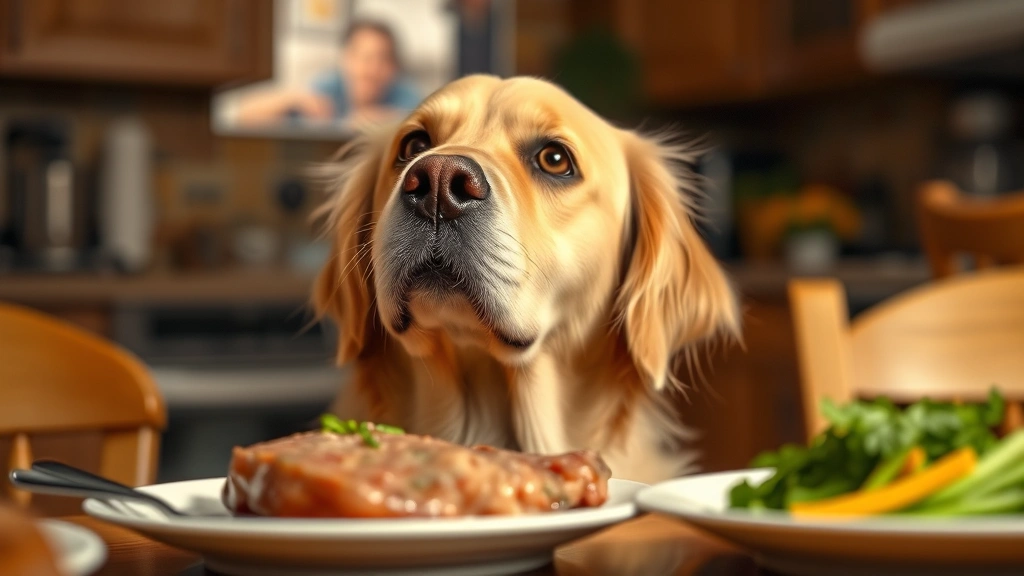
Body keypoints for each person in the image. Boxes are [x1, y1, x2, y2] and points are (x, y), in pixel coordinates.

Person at [237, 20, 420, 127]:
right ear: (346, 59)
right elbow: (245, 115)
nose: (373, 70)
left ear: (394, 67)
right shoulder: (327, 87)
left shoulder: (404, 94)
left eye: (383, 60)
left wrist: (387, 121)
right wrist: (295, 99)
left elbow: (429, 123)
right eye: (366, 58)